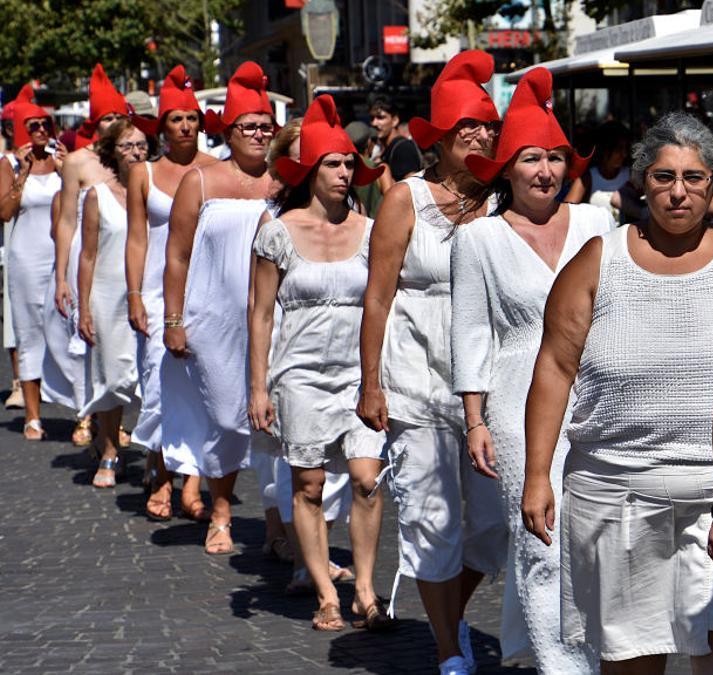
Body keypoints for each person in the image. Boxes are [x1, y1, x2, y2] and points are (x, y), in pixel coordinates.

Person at [522, 110, 713, 674]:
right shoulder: (598, 261)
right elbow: (555, 368)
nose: (678, 193)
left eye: (693, 178)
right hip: (616, 492)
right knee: (632, 655)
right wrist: (538, 475)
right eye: (663, 177)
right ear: (640, 182)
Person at [451, 66, 612, 674]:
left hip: (599, 396)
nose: (544, 171)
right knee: (541, 540)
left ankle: (597, 655)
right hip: (518, 397)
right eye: (530, 159)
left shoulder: (599, 224)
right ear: (505, 169)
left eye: (553, 158)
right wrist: (474, 419)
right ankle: (561, 666)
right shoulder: (480, 239)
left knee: (595, 539)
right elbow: (468, 332)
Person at [357, 50, 507, 675]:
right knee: (430, 516)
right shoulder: (404, 199)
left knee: (497, 525)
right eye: (466, 128)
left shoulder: (504, 199)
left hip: (490, 383)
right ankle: (449, 649)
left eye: (488, 127)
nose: (480, 136)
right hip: (416, 378)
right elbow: (379, 294)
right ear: (438, 139)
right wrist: (370, 383)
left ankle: (453, 612)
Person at [247, 94, 390, 632]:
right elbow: (260, 314)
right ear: (310, 170)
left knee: (366, 479)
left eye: (350, 163)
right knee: (307, 485)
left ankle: (367, 590)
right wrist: (257, 388)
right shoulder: (277, 232)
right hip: (299, 374)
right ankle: (327, 592)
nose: (344, 172)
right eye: (333, 163)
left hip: (359, 375)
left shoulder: (373, 230)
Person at [161, 62, 276, 556]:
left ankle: (279, 523)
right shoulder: (201, 182)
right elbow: (177, 255)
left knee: (275, 423)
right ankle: (222, 509)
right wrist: (173, 319)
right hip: (215, 320)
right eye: (248, 127)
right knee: (228, 419)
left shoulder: (284, 182)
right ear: (228, 131)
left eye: (265, 127)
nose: (257, 135)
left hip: (274, 319)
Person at [126, 65, 218, 520]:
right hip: (157, 293)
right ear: (161, 125)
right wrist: (134, 295)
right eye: (176, 119)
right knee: (159, 386)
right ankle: (162, 473)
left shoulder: (217, 171)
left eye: (192, 118)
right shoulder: (143, 172)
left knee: (204, 388)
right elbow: (137, 238)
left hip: (206, 292)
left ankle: (193, 483)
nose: (185, 126)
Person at [48, 63, 129, 448]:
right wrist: (61, 275)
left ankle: (112, 421)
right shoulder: (79, 162)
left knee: (120, 349)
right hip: (85, 256)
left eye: (118, 116)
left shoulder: (134, 159)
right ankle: (88, 417)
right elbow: (65, 220)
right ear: (94, 122)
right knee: (88, 344)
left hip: (119, 255)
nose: (112, 123)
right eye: (105, 118)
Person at [77, 119, 150, 487]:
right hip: (108, 294)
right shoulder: (97, 196)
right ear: (112, 153)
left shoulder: (157, 190)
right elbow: (87, 255)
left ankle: (156, 456)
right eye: (127, 146)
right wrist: (84, 307)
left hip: (149, 292)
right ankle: (109, 449)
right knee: (112, 376)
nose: (136, 152)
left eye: (141, 145)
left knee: (150, 376)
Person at [0, 94, 64, 439]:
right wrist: (23, 173)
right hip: (26, 258)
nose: (40, 130)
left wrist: (66, 169)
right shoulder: (8, 164)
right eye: (33, 125)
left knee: (68, 330)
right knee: (29, 331)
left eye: (45, 124)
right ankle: (33, 414)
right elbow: (4, 212)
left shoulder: (61, 162)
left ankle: (85, 414)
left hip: (61, 256)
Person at [1, 84, 35, 410]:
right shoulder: (7, 162)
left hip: (47, 246)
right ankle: (18, 380)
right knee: (13, 313)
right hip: (14, 247)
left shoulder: (53, 159)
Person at [564, 120, 631, 220]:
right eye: (619, 149)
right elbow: (566, 212)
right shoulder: (588, 178)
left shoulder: (630, 175)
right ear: (605, 149)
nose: (624, 154)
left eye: (626, 148)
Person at [370, 97, 422, 193]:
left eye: (380, 118)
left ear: (394, 120)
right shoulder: (389, 148)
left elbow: (412, 190)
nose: (374, 123)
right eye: (372, 118)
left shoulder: (403, 148)